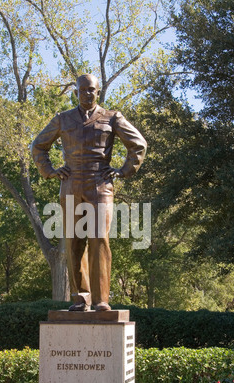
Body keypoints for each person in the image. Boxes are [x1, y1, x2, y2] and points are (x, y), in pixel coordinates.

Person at [31, 74, 147, 312]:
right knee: (74, 242)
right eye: (83, 90)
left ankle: (101, 299)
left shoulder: (112, 117)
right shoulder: (62, 119)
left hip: (100, 184)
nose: (87, 93)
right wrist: (50, 171)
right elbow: (38, 146)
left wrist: (124, 171)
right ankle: (80, 298)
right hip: (71, 184)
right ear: (76, 93)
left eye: (91, 90)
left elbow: (138, 145)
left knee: (99, 240)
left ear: (98, 92)